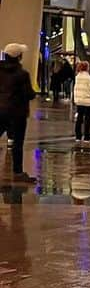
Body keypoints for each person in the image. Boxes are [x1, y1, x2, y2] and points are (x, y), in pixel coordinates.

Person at [0, 42, 37, 183]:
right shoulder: (22, 74)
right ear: (19, 57)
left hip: (1, 110)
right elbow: (29, 94)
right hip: (17, 113)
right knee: (17, 143)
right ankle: (17, 172)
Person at [73, 61, 90, 143]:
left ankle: (78, 136)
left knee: (79, 118)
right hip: (88, 101)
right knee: (87, 119)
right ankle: (87, 137)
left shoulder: (77, 77)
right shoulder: (89, 78)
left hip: (79, 100)